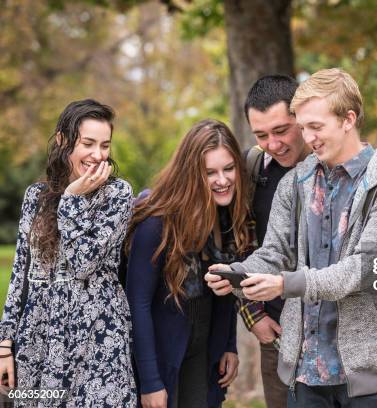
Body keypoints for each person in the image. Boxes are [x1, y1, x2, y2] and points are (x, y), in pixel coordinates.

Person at [206, 68, 377, 407]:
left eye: (315, 127)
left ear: (348, 119)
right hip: (305, 369)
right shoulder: (296, 182)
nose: (308, 138)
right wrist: (236, 274)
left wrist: (285, 284)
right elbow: (274, 251)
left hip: (369, 370)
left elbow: (365, 268)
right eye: (303, 128)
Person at [0, 99, 136, 406]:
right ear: (62, 141)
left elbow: (83, 263)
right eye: (88, 143)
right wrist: (4, 346)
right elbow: (20, 274)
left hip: (96, 338)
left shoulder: (117, 195)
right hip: (39, 339)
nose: (98, 155)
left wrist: (72, 199)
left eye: (105, 145)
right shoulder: (35, 196)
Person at [125, 120, 246, 408]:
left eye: (228, 169)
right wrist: (151, 380)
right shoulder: (157, 221)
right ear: (191, 174)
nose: (222, 180)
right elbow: (137, 303)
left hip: (205, 348)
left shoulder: (227, 214)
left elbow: (224, 288)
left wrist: (229, 345)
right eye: (210, 172)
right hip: (165, 349)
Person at [238, 74, 310, 408]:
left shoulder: (332, 167)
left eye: (281, 131)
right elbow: (238, 244)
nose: (273, 144)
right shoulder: (253, 171)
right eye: (262, 135)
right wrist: (254, 316)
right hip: (278, 334)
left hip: (337, 333)